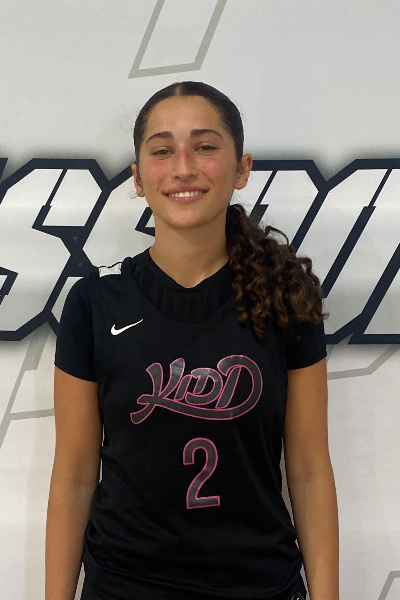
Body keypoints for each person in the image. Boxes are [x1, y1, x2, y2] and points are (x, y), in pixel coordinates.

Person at [46, 81, 339, 600]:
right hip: (124, 588)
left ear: (242, 169)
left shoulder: (286, 297)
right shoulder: (94, 302)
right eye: (162, 151)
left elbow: (310, 470)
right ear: (138, 178)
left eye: (204, 146)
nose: (183, 167)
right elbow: (73, 475)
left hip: (259, 587)